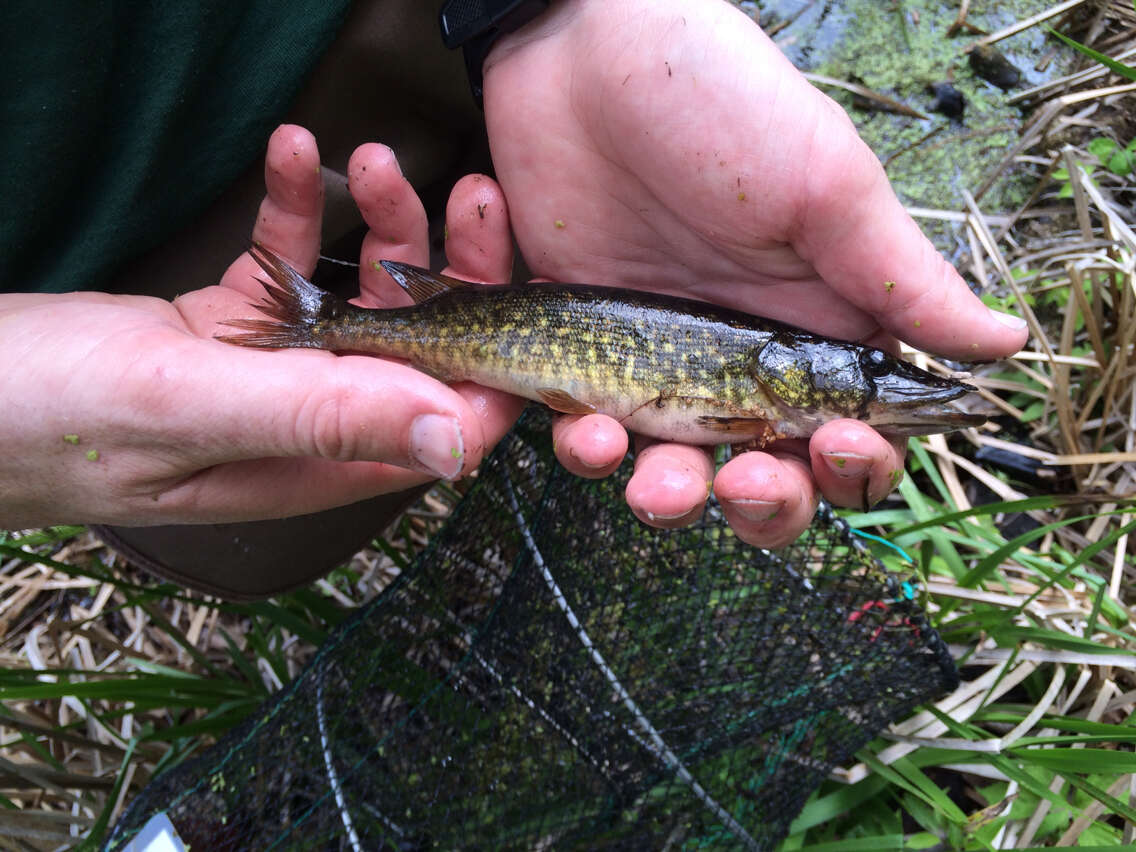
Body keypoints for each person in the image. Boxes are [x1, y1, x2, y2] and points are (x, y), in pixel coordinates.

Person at [0, 0, 1025, 596]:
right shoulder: (760, 393)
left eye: (872, 377)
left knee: (419, 438)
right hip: (79, 263)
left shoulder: (762, 386)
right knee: (253, 489)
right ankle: (323, 333)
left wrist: (538, 13)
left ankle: (330, 333)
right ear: (786, 381)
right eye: (869, 377)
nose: (884, 388)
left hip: (423, 33)